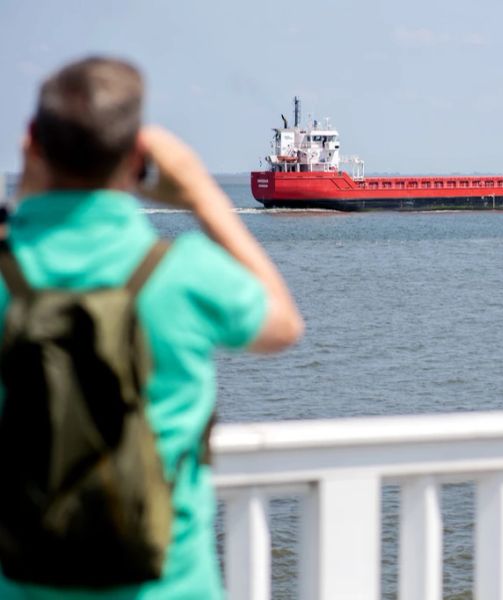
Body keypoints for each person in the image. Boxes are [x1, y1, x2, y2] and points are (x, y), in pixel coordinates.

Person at [0, 57, 303, 598]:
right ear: (139, 156)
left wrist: (24, 196)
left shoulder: (7, 269)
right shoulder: (181, 271)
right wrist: (205, 198)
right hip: (168, 584)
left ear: (33, 143)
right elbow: (283, 325)